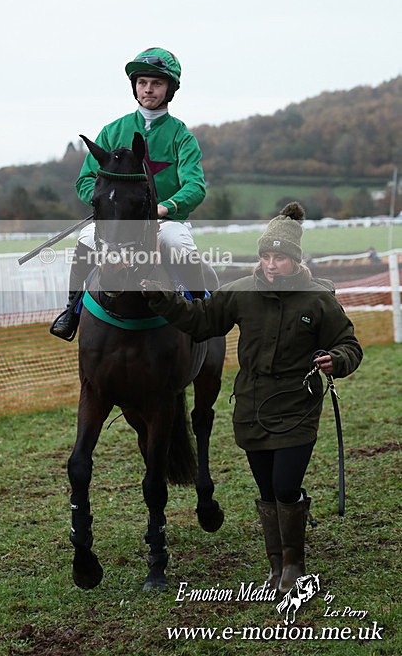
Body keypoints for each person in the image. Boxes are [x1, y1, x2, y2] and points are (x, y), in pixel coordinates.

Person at [141, 202, 363, 594]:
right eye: (266, 255)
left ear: (295, 260)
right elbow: (198, 320)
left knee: (284, 486)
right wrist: (160, 297)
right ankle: (276, 566)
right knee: (265, 491)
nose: (271, 264)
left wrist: (338, 359)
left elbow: (349, 344)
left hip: (297, 405)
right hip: (251, 408)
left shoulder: (318, 299)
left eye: (280, 257)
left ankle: (294, 565)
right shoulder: (240, 293)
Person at [50, 46, 208, 341]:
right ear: (135, 87)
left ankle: (202, 311)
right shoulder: (112, 131)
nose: (148, 90)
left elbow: (195, 186)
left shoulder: (181, 136)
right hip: (117, 223)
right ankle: (71, 309)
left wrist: (166, 207)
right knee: (85, 239)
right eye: (142, 83)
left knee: (176, 241)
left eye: (156, 83)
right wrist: (108, 208)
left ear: (169, 89)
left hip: (164, 221)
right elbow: (85, 180)